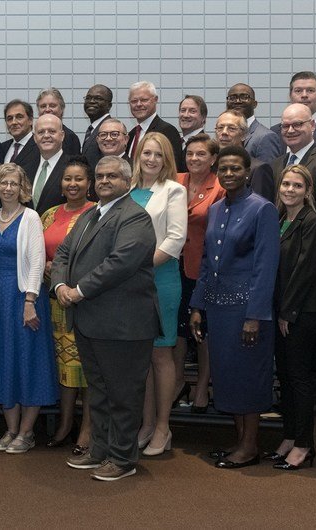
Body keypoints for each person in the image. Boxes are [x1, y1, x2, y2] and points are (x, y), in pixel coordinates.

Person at [53, 156, 158, 481]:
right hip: (90, 321)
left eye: (112, 176)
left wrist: (79, 290)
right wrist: (59, 285)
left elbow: (120, 263)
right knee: (98, 392)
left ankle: (123, 459)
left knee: (123, 394)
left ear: (127, 181)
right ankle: (99, 450)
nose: (104, 181)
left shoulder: (135, 218)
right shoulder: (89, 215)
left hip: (123, 324)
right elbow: (63, 253)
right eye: (100, 176)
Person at [189, 145, 279, 469]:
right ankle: (239, 441)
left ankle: (250, 445)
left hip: (247, 310)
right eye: (223, 169)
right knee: (227, 376)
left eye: (235, 169)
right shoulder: (216, 209)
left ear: (247, 171)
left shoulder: (262, 209)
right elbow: (205, 261)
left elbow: (265, 268)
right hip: (218, 307)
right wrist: (198, 304)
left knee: (248, 378)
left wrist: (254, 316)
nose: (229, 174)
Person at [0, 163, 58, 454]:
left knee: (28, 360)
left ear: (22, 187)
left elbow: (37, 262)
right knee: (4, 361)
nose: (8, 188)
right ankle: (11, 428)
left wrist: (29, 300)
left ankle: (27, 432)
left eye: (14, 183)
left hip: (24, 297)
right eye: (3, 183)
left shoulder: (31, 217)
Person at [128, 132, 188, 456]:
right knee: (143, 357)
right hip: (130, 285)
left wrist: (136, 266)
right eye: (146, 153)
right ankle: (146, 424)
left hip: (160, 280)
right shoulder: (129, 190)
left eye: (158, 155)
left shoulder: (174, 190)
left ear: (167, 160)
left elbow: (175, 240)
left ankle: (163, 428)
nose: (151, 160)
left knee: (161, 355)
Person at [268, 165, 316, 470]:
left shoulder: (312, 221)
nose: (290, 190)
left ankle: (305, 444)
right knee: (287, 379)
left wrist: (288, 313)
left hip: (302, 312)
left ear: (308, 191)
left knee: (301, 380)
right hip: (282, 311)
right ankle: (290, 435)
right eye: (286, 184)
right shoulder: (280, 219)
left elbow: (305, 270)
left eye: (297, 186)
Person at [41, 159, 96, 454]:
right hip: (53, 301)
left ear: (89, 184)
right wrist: (44, 267)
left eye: (78, 179)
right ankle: (64, 424)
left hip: (84, 301)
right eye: (67, 179)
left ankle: (87, 429)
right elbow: (35, 251)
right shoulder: (49, 215)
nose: (72, 184)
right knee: (64, 367)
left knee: (85, 368)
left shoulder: (97, 214)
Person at [176, 134, 225, 414]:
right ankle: (179, 380)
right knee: (179, 329)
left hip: (202, 268)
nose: (194, 159)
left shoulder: (219, 186)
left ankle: (203, 384)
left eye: (201, 154)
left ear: (213, 158)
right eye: (190, 153)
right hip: (173, 266)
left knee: (201, 330)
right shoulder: (175, 180)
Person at [124, 81, 183, 170]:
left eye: (144, 100)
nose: (139, 104)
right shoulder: (132, 134)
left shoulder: (167, 131)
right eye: (134, 101)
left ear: (155, 100)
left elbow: (173, 167)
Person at [34, 87, 82, 155]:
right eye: (43, 106)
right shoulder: (33, 136)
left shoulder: (70, 138)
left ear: (62, 109)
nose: (47, 109)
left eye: (52, 106)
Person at [80, 84, 113, 168]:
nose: (91, 101)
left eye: (98, 98)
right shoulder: (92, 129)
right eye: (88, 98)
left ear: (109, 105)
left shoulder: (110, 128)